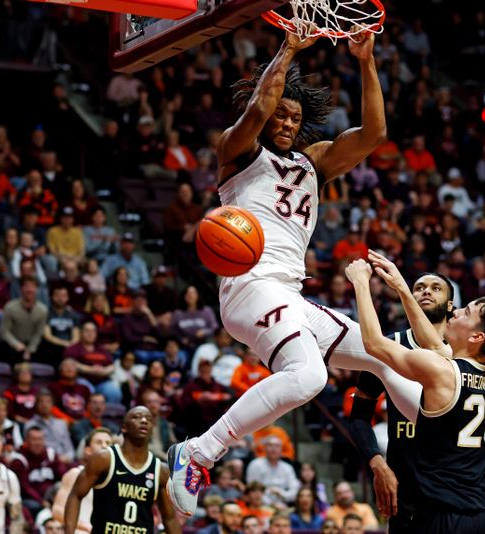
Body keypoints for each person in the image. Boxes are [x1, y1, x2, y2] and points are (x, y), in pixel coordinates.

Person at [166, 28, 390, 515]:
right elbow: (257, 110)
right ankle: (199, 452)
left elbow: (373, 135)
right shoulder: (238, 150)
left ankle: (461, 446)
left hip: (289, 293)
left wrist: (366, 62)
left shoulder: (315, 162)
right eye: (280, 114)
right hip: (249, 285)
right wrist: (288, 48)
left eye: (294, 116)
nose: (286, 121)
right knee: (308, 376)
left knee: (386, 354)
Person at [346, 259, 485, 533]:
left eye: (466, 312)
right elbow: (435, 345)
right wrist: (403, 288)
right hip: (477, 515)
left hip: (439, 516)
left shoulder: (441, 372)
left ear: (476, 337)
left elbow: (373, 343)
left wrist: (359, 281)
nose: (456, 313)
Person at [348, 258, 454, 529]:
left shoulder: (460, 350)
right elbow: (359, 416)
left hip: (451, 481)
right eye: (419, 287)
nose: (426, 291)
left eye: (435, 288)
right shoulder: (389, 347)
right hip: (404, 482)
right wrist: (377, 463)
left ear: (451, 306)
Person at [64, 407, 180, 534]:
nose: (144, 421)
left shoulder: (160, 470)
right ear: (124, 427)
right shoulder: (104, 459)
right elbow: (75, 496)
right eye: (137, 417)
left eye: (148, 419)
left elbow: (170, 518)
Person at [52, 428, 114, 533]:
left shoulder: (117, 479)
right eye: (99, 442)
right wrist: (86, 527)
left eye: (108, 443)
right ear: (88, 450)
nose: (104, 446)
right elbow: (57, 511)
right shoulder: (75, 474)